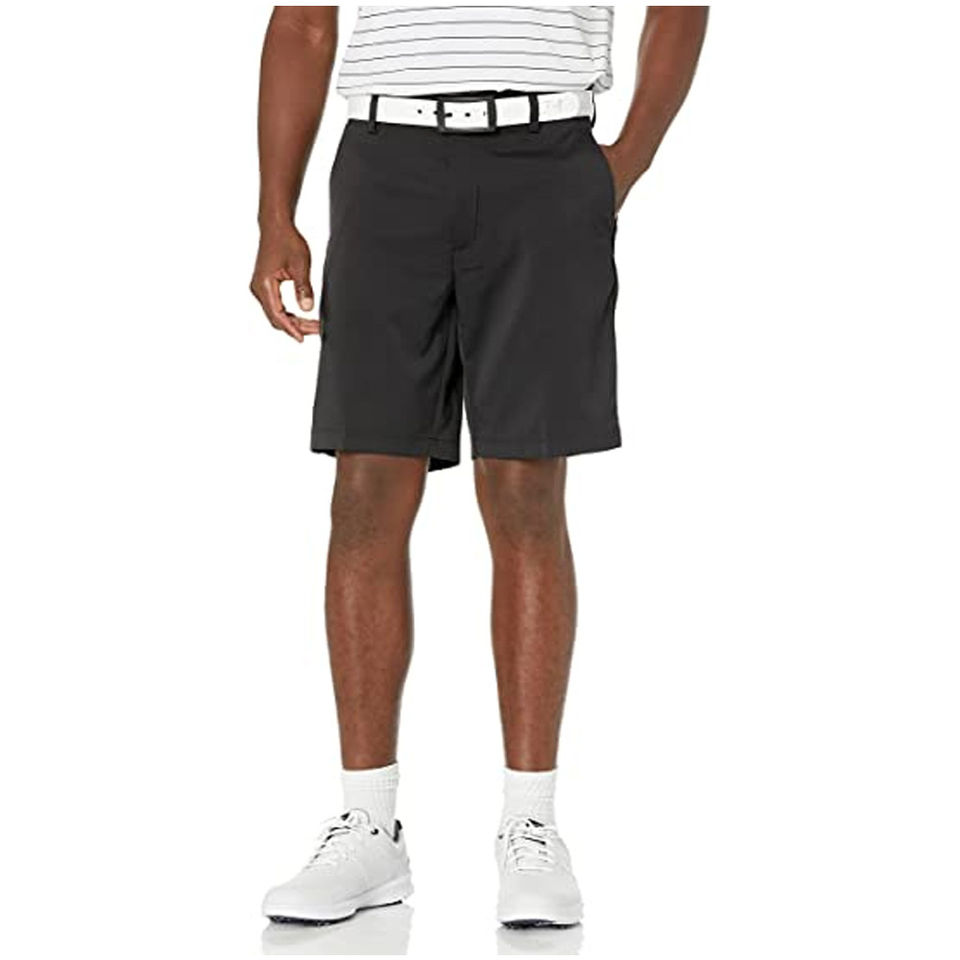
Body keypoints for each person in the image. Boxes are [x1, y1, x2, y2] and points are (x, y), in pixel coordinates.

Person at [252, 5, 707, 928]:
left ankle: (531, 825)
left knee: (526, 487)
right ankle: (368, 826)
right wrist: (274, 213)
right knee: (365, 489)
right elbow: (302, 23)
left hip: (546, 162)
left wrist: (628, 158)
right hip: (386, 161)